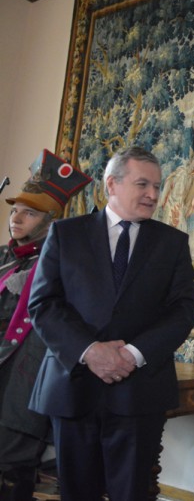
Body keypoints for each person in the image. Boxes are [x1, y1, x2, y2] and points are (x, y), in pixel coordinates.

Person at [27, 146, 194, 501]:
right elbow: (43, 304)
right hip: (72, 386)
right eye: (142, 184)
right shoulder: (65, 234)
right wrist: (89, 352)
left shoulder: (173, 244)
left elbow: (182, 311)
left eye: (156, 185)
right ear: (112, 185)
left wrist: (132, 354)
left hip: (139, 390)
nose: (153, 194)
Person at [0, 150, 91, 501]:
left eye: (30, 212)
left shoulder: (63, 260)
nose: (17, 217)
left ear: (51, 220)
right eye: (15, 210)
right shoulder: (4, 257)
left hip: (26, 376)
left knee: (12, 463)